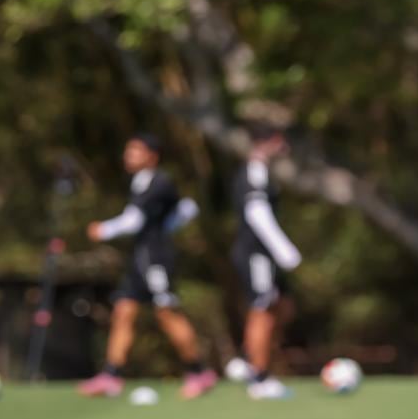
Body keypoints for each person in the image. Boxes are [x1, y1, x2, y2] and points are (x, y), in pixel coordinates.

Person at [76, 134, 217, 399]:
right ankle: (111, 374)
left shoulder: (159, 182)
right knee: (124, 311)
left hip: (156, 259)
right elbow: (185, 209)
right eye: (128, 150)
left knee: (167, 312)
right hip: (139, 258)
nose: (129, 155)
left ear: (152, 155)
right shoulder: (140, 183)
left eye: (136, 151)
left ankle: (198, 372)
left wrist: (103, 230)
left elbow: (136, 220)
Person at [231, 125, 302, 399]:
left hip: (265, 255)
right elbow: (256, 212)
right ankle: (258, 378)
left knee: (283, 305)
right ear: (272, 141)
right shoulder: (254, 171)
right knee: (262, 308)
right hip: (256, 253)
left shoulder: (261, 171)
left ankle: (249, 359)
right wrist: (283, 249)